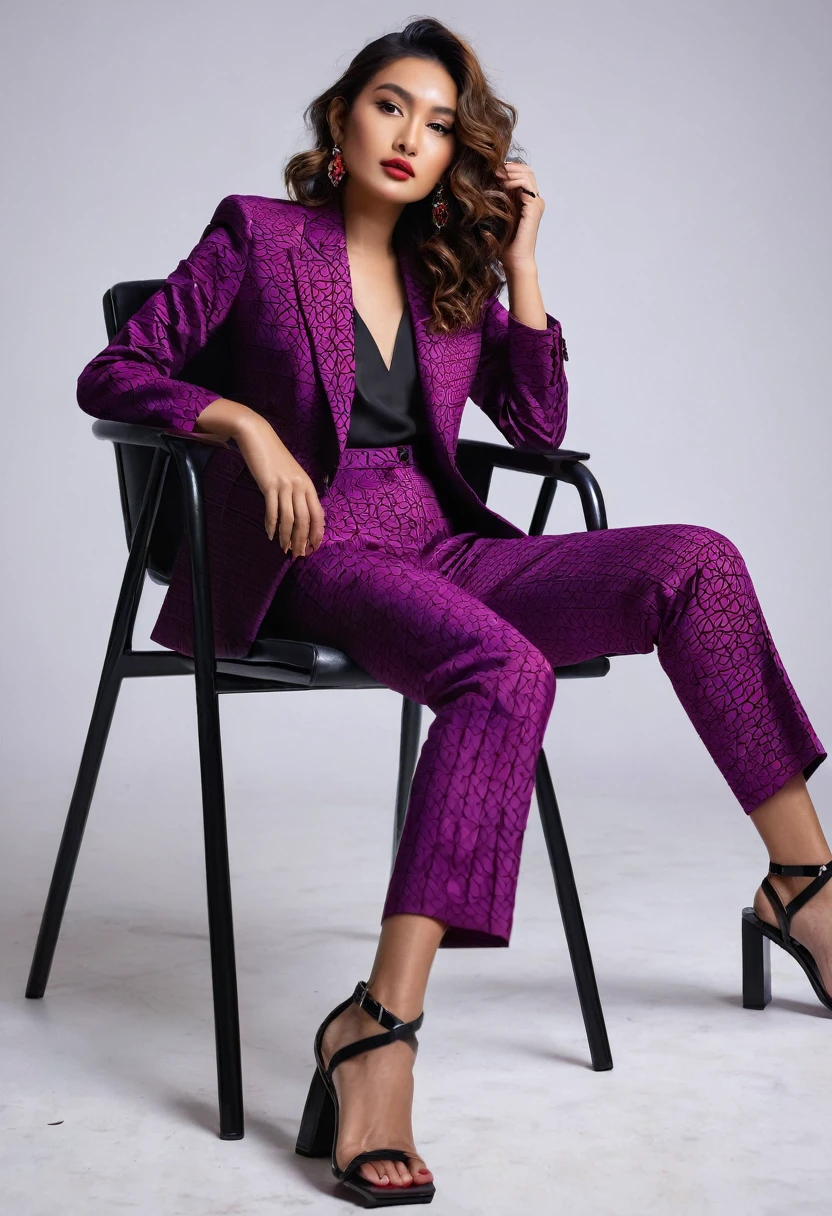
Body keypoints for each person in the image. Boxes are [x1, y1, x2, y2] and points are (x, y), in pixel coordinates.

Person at [76, 16, 829, 1209]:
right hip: (309, 544)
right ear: (341, 119)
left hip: (445, 541)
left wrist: (524, 261)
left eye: (437, 124)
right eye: (390, 105)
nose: (409, 136)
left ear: (453, 156)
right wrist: (245, 424)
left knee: (699, 561)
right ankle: (377, 1028)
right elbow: (116, 369)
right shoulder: (257, 237)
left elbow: (532, 426)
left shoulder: (450, 275)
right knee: (504, 672)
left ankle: (804, 884)